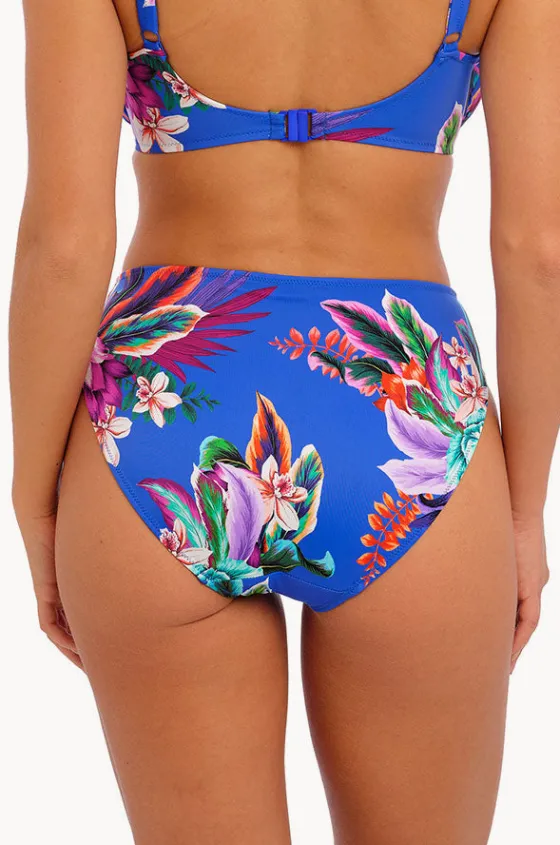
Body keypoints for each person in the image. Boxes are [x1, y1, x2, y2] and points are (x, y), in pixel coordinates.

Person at [10, 1, 558, 842]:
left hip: (165, 408)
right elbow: (539, 248)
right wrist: (524, 508)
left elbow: (64, 244)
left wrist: (34, 493)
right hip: (407, 413)